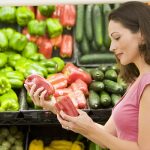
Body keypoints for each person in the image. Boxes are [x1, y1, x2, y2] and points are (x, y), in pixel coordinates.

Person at [24, 1, 150, 149]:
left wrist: (89, 128)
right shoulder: (137, 80)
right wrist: (53, 105)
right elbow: (106, 136)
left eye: (117, 37)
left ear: (142, 34)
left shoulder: (148, 85)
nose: (111, 47)